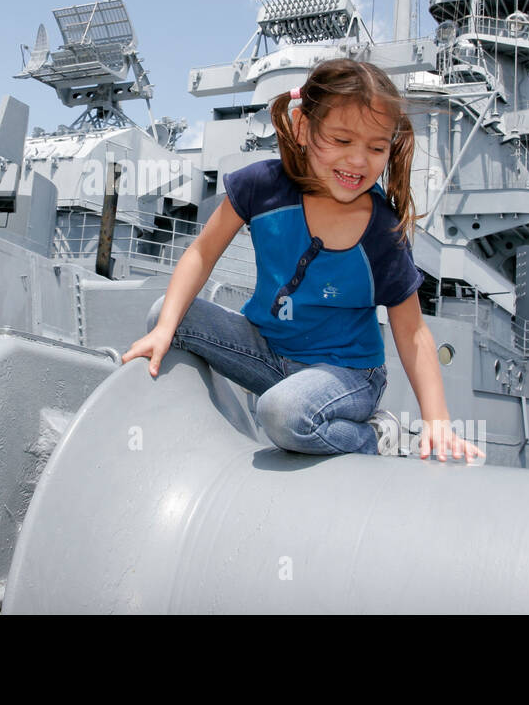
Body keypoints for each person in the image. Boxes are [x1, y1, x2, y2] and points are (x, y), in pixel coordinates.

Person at [122, 58, 484, 462]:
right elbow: (202, 252)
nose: (359, 160)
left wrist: (437, 421)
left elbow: (413, 332)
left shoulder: (382, 232)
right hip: (266, 351)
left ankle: (375, 437)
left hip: (348, 374)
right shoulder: (261, 186)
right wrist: (167, 327)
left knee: (282, 412)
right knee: (164, 317)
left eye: (376, 147)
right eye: (342, 141)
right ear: (302, 129)